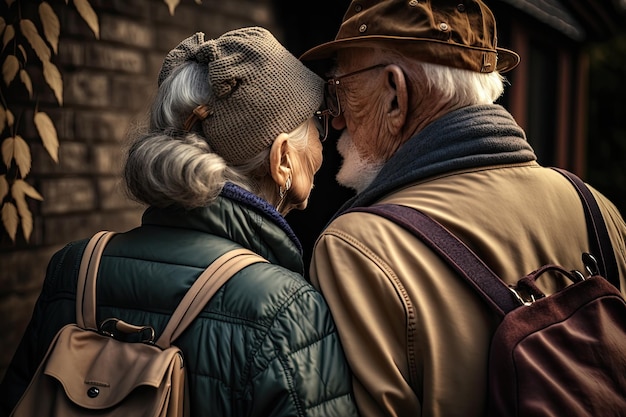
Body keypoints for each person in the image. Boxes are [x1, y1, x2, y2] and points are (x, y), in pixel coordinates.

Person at [0, 27, 358, 417]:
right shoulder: (286, 307)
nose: (325, 141)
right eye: (318, 123)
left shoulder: (73, 268)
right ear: (283, 159)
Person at [299, 1, 626, 416]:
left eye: (339, 89)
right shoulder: (596, 208)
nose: (337, 119)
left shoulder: (358, 247)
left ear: (396, 96)